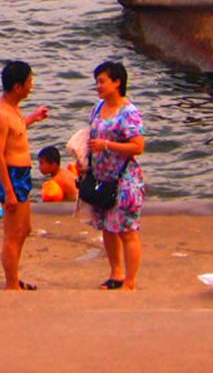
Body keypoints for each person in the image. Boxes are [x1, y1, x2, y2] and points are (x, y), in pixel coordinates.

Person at [0, 60, 49, 290]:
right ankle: (11, 284)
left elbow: (18, 129)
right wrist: (9, 191)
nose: (31, 86)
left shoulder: (14, 107)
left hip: (22, 174)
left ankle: (14, 277)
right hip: (11, 176)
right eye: (29, 82)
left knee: (25, 230)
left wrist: (33, 118)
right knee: (13, 234)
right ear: (17, 87)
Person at [87, 59, 145, 290]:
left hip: (124, 180)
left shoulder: (128, 113)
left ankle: (130, 280)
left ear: (117, 82)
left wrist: (107, 145)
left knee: (127, 230)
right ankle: (116, 273)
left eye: (102, 81)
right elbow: (91, 139)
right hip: (102, 178)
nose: (98, 86)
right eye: (97, 82)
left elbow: (138, 146)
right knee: (107, 228)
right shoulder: (98, 108)